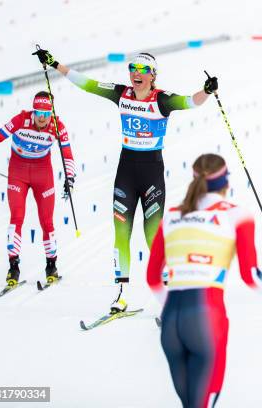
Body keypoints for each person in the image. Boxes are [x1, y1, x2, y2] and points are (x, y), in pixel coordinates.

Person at [32, 48, 218, 313]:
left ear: (153, 75)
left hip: (152, 173)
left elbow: (190, 101)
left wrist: (207, 91)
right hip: (126, 172)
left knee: (152, 235)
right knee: (121, 234)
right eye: (133, 69)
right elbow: (88, 85)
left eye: (143, 70)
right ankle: (121, 295)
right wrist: (55, 64)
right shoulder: (121, 93)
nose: (136, 75)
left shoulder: (162, 100)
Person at [147, 153, 262, 408]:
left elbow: (152, 279)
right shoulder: (237, 214)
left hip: (172, 322)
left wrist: (171, 308)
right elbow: (250, 276)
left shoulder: (171, 216)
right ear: (225, 182)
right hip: (206, 318)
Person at [0, 92, 75, 286]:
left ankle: (51, 265)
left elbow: (67, 155)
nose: (41, 117)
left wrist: (70, 178)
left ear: (51, 113)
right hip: (18, 171)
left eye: (46, 113)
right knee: (16, 218)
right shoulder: (20, 120)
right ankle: (13, 267)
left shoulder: (58, 127)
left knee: (46, 221)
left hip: (43, 174)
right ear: (33, 111)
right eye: (38, 112)